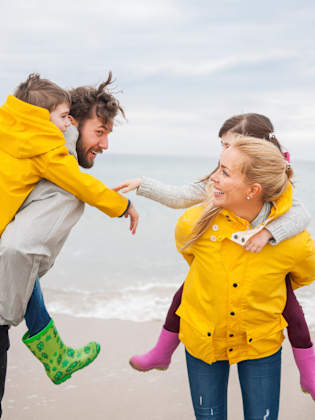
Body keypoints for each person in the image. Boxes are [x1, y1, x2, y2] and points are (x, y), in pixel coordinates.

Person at [114, 113, 315, 400]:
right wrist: (143, 185)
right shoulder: (221, 178)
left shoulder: (274, 181)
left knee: (292, 311)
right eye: (222, 145)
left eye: (229, 144)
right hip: (221, 254)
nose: (224, 152)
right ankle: (162, 351)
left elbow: (300, 214)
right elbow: (182, 195)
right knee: (184, 296)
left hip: (266, 263)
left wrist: (269, 234)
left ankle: (309, 373)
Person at [0, 73, 138, 416]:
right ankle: (52, 349)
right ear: (69, 123)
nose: (104, 145)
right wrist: (122, 206)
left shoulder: (13, 138)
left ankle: (52, 347)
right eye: (99, 131)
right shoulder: (49, 153)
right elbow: (20, 249)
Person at [175, 137, 315, 420]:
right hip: (203, 339)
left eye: (225, 172)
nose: (213, 177)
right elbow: (190, 258)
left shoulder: (295, 242)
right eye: (218, 167)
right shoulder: (192, 223)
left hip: (260, 342)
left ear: (253, 189)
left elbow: (302, 274)